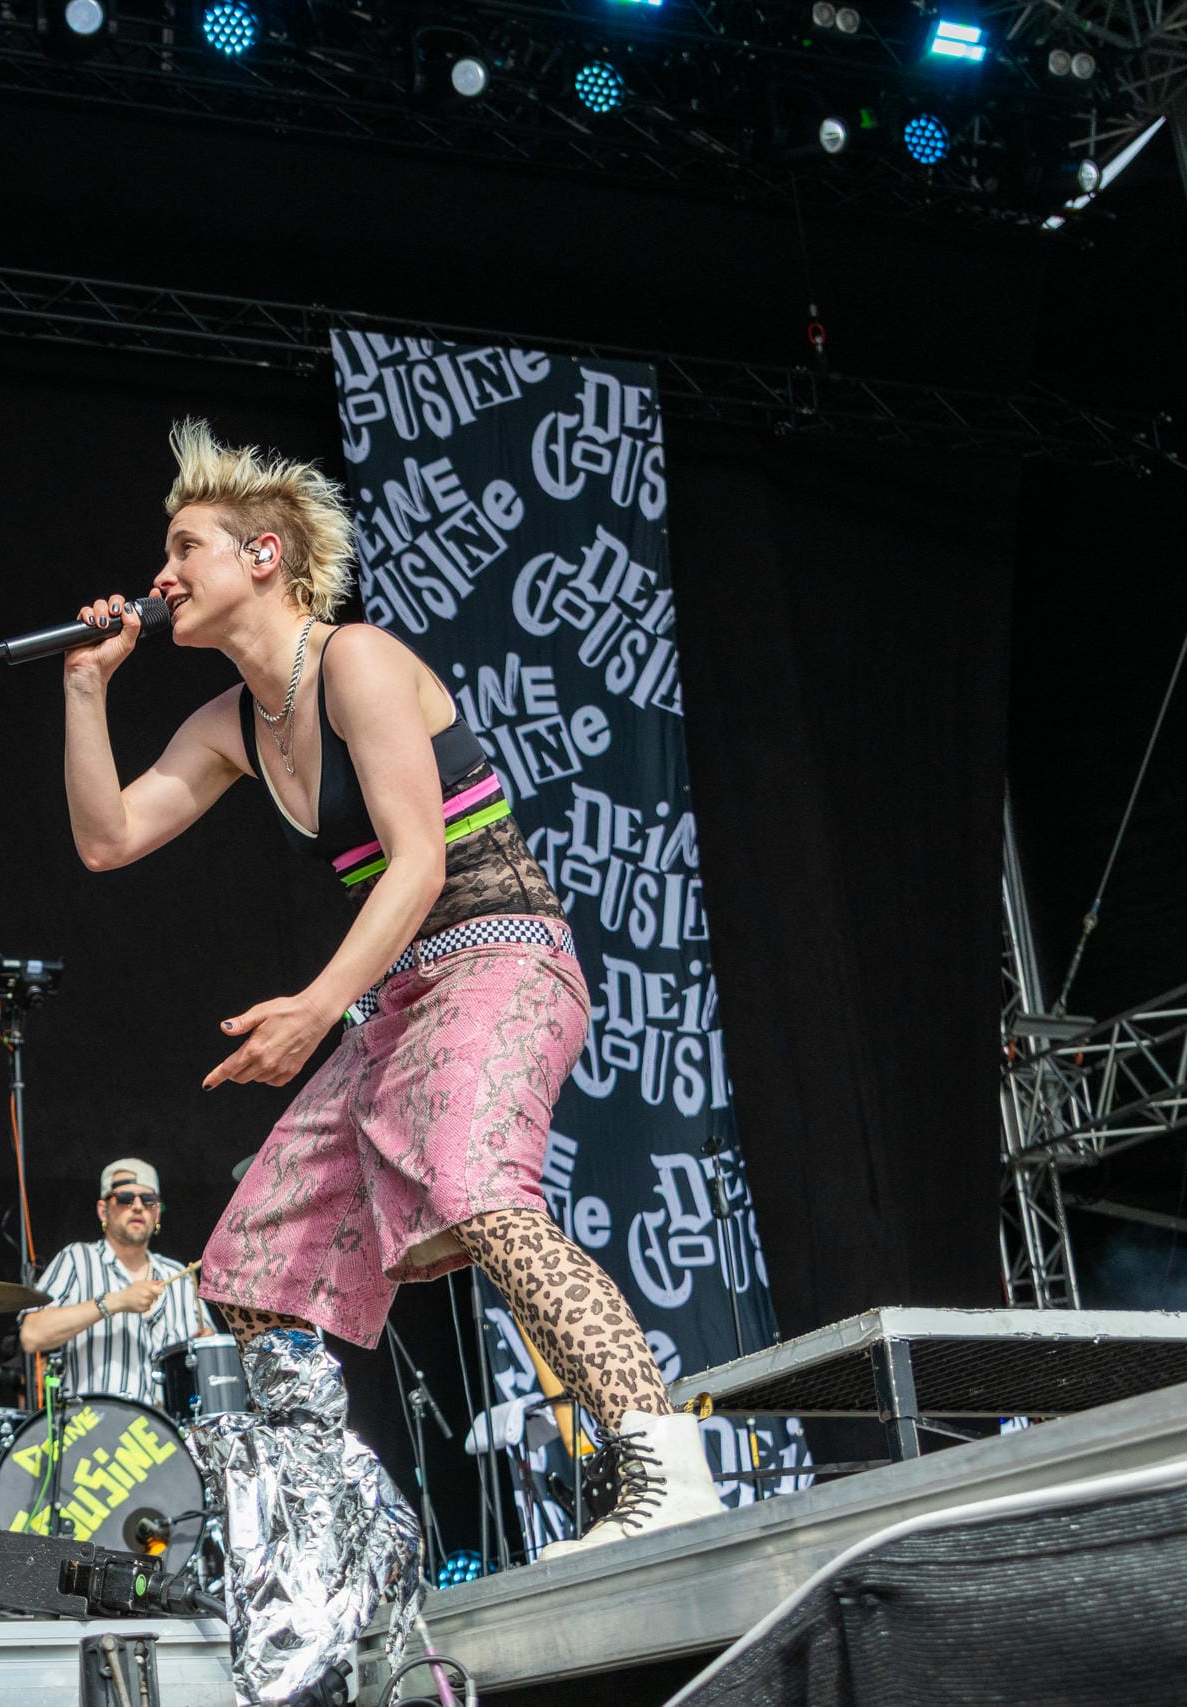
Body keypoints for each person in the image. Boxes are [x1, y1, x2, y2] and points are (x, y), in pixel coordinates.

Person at [56, 420, 719, 1556]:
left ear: (263, 554)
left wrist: (315, 1007)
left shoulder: (354, 658)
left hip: (503, 953)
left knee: (474, 1187)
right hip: (405, 997)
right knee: (251, 1266)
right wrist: (81, 690)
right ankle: (337, 1517)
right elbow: (109, 839)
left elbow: (416, 861)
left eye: (186, 547)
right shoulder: (232, 723)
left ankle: (664, 1463)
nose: (161, 576)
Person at [18, 1158, 218, 1407]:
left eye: (148, 1201)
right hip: (94, 1431)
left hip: (165, 1434)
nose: (137, 1207)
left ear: (156, 1213)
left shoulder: (177, 1274)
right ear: (103, 1210)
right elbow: (31, 1335)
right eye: (125, 1198)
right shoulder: (77, 1258)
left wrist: (206, 1345)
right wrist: (114, 1302)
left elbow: (210, 1360)